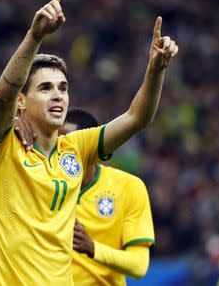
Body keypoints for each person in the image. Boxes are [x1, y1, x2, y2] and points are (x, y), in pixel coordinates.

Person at [0, 0, 178, 284]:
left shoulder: (76, 148)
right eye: (46, 88)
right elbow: (5, 94)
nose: (58, 96)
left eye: (63, 88)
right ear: (21, 101)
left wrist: (156, 70)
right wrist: (35, 36)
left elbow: (137, 118)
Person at [59, 108, 154, 285]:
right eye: (56, 142)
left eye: (70, 141)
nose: (61, 149)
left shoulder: (128, 187)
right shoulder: (41, 185)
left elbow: (139, 265)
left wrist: (93, 248)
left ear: (92, 147)